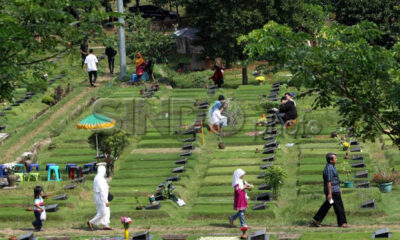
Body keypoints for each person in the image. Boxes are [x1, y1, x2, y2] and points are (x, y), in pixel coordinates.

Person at [312, 153, 348, 228]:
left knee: (328, 205)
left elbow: (335, 180)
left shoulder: (332, 167)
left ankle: (316, 219)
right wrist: (330, 193)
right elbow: (329, 181)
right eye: (335, 158)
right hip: (333, 192)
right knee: (339, 206)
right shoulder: (329, 168)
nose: (336, 159)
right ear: (331, 160)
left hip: (335, 190)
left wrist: (339, 188)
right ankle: (342, 223)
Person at [87, 165, 112, 230]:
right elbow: (102, 190)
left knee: (107, 210)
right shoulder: (100, 178)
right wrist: (106, 201)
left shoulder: (97, 177)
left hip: (98, 196)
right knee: (103, 212)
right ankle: (91, 222)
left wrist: (107, 186)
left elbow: (101, 186)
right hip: (100, 197)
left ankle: (106, 224)